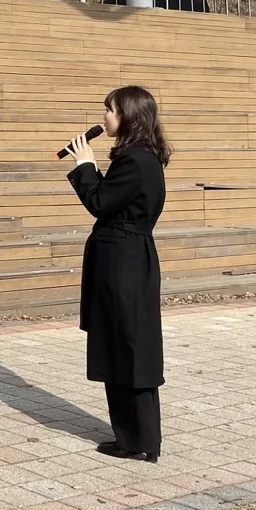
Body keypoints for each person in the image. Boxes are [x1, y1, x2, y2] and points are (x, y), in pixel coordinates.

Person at [66, 85, 170, 465]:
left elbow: (100, 202)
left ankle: (138, 438)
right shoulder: (141, 157)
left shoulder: (135, 160)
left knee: (128, 345)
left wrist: (85, 166)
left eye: (109, 110)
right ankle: (133, 437)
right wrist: (92, 169)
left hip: (123, 262)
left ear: (128, 115)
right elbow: (112, 202)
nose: (105, 117)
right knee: (123, 343)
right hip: (126, 258)